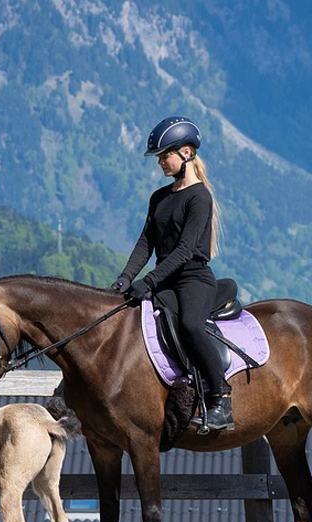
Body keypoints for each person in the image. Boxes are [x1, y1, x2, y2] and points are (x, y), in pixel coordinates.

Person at [111, 116, 233, 431]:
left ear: (188, 152)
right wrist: (125, 278)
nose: (161, 162)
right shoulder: (159, 198)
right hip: (164, 278)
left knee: (190, 325)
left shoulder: (199, 197)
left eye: (166, 155)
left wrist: (148, 281)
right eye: (160, 157)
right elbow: (145, 243)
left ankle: (221, 397)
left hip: (193, 278)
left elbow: (183, 251)